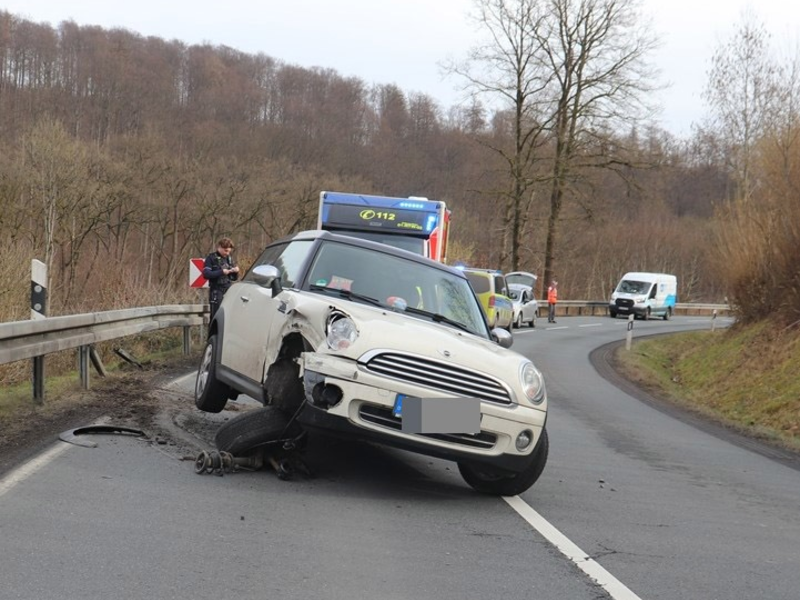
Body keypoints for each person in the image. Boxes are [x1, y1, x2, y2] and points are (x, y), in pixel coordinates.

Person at [203, 237, 239, 321]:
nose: (227, 253)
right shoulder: (211, 258)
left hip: (228, 290)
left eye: (229, 251)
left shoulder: (229, 259)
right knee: (216, 317)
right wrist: (221, 272)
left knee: (228, 316)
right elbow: (206, 274)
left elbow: (234, 278)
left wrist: (235, 271)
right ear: (219, 247)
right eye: (225, 250)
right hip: (216, 290)